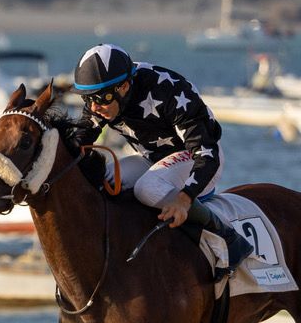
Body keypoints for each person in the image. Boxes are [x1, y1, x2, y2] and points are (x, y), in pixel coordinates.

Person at [70, 43, 253, 279]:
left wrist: (184, 198)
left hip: (199, 160)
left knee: (147, 189)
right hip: (154, 160)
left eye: (100, 98)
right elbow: (78, 142)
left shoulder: (169, 91)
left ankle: (229, 237)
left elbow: (207, 154)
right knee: (103, 180)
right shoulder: (103, 98)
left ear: (123, 87)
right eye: (87, 99)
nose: (94, 107)